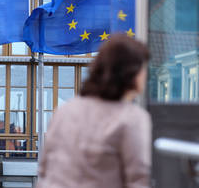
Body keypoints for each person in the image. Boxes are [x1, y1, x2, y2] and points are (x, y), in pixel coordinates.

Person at [37, 35, 151, 188]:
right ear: (132, 73)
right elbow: (139, 180)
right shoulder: (132, 119)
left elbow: (45, 169)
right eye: (144, 68)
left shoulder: (65, 111)